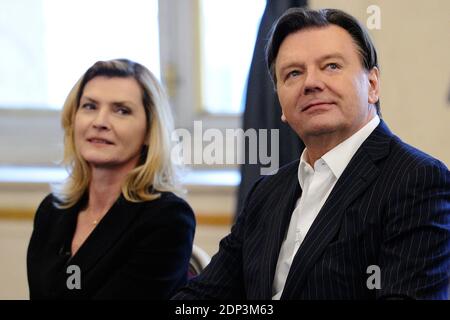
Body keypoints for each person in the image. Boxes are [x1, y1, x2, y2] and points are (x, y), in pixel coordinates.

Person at [173, 8, 450, 300]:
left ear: (372, 85)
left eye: (331, 66)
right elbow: (202, 298)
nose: (311, 83)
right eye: (293, 73)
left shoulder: (419, 180)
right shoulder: (267, 191)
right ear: (280, 103)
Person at [27, 59, 196, 299]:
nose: (100, 122)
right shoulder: (51, 211)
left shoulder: (168, 219)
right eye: (89, 106)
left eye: (121, 111)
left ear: (149, 131)